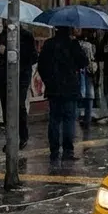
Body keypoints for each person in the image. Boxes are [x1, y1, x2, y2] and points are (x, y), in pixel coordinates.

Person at [37, 27, 89, 162]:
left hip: (53, 88)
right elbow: (84, 62)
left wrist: (48, 80)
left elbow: (41, 65)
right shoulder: (73, 44)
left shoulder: (49, 44)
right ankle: (68, 151)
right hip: (70, 88)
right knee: (68, 120)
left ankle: (54, 151)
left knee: (54, 120)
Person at [0, 25, 38, 150]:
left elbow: (33, 57)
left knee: (19, 106)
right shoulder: (1, 36)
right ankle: (10, 139)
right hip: (4, 78)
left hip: (20, 77)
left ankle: (23, 136)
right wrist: (0, 52)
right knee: (6, 109)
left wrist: (16, 54)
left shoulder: (26, 36)